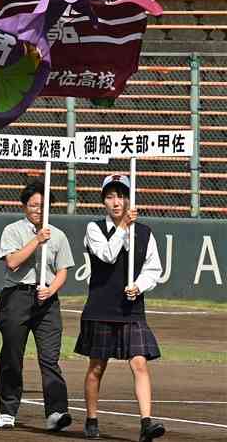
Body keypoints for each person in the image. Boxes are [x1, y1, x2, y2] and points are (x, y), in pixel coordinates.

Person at [76, 175, 165, 442]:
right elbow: (106, 254)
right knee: (97, 367)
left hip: (132, 309)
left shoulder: (145, 233)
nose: (117, 202)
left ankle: (146, 422)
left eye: (121, 196)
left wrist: (139, 285)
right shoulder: (94, 229)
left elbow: (154, 268)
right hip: (101, 307)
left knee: (139, 363)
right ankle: (91, 418)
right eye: (110, 196)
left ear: (129, 198)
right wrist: (124, 228)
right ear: (103, 200)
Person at [0, 181, 73, 431]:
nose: (38, 210)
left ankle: (57, 412)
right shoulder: (13, 230)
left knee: (50, 358)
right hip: (16, 297)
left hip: (47, 301)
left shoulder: (58, 235)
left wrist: (51, 289)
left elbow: (62, 270)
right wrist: (36, 241)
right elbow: (12, 263)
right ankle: (7, 410)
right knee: (12, 354)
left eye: (43, 205)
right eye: (33, 205)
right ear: (24, 206)